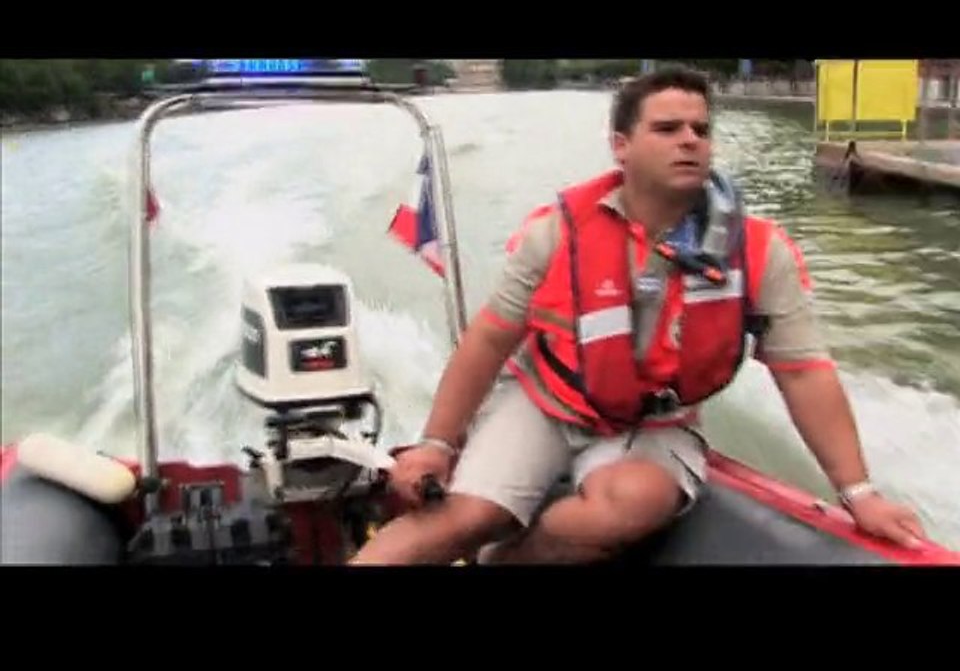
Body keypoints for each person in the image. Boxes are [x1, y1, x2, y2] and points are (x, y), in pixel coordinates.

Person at [350, 65, 928, 565]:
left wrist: (859, 493)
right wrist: (437, 443)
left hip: (653, 423)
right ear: (621, 146)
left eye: (701, 129)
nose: (690, 140)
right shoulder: (558, 232)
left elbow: (804, 373)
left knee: (629, 505)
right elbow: (488, 341)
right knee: (469, 514)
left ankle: (506, 560)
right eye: (668, 129)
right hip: (545, 400)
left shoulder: (759, 251)